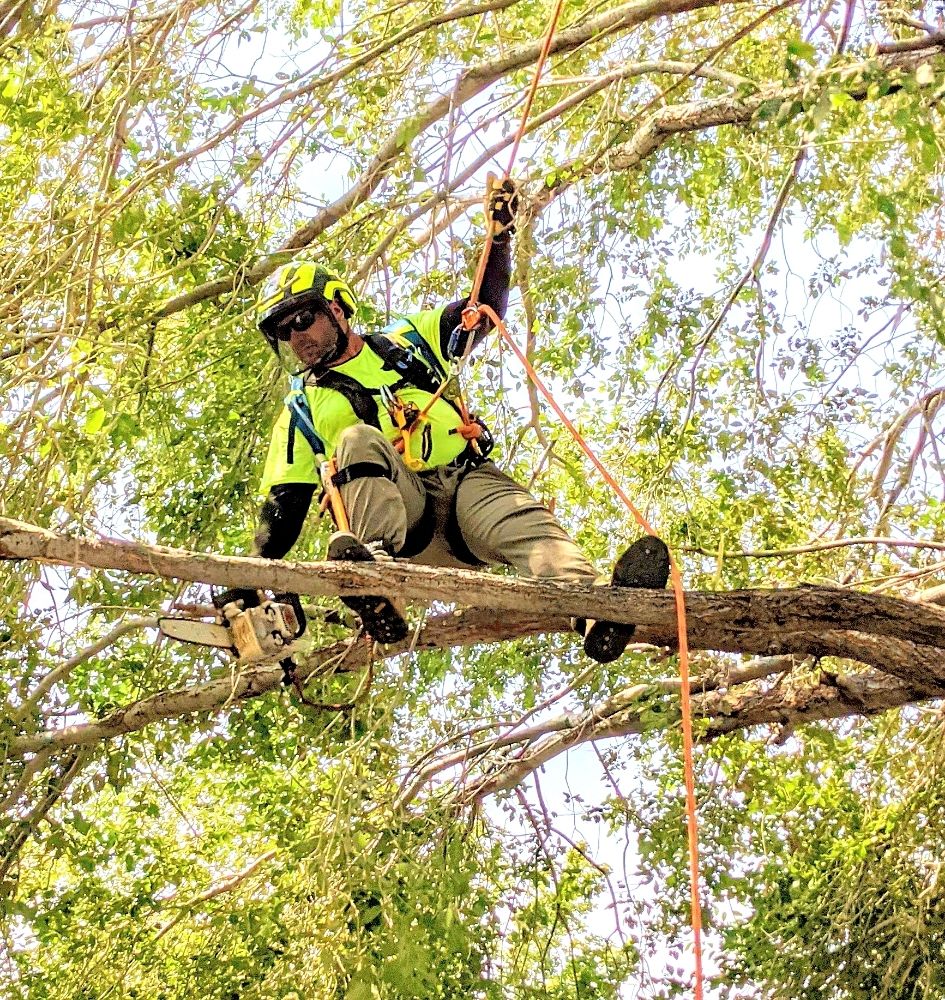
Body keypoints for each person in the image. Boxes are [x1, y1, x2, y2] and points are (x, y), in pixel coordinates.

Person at [248, 177, 669, 662]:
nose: (297, 337)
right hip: (407, 523)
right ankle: (377, 585)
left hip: (467, 490)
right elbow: (283, 508)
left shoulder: (407, 342)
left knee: (526, 523)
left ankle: (597, 608)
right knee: (359, 439)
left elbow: (481, 311)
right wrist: (254, 578)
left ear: (339, 309)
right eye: (284, 331)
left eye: (304, 320)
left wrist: (500, 237)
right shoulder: (302, 409)